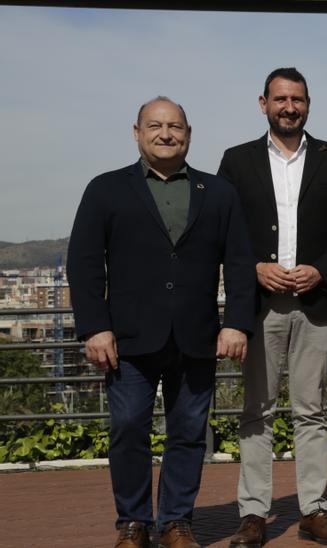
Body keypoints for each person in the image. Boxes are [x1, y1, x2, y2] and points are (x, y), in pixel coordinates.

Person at [68, 96, 256, 548]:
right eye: (155, 125)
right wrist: (94, 327)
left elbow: (239, 261)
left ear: (189, 135)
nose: (165, 134)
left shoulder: (219, 192)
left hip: (197, 336)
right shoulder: (105, 189)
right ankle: (132, 523)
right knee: (129, 428)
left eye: (175, 126)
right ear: (136, 131)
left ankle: (176, 522)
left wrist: (236, 323)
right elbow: (85, 262)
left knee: (189, 434)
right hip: (127, 338)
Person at [217, 67, 327, 547]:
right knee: (256, 410)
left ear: (308, 104)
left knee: (310, 410)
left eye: (297, 99)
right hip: (259, 305)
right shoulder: (236, 162)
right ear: (263, 104)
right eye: (280, 99)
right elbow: (223, 231)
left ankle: (314, 511)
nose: (289, 107)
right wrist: (256, 267)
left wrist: (321, 270)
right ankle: (254, 514)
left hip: (315, 303)